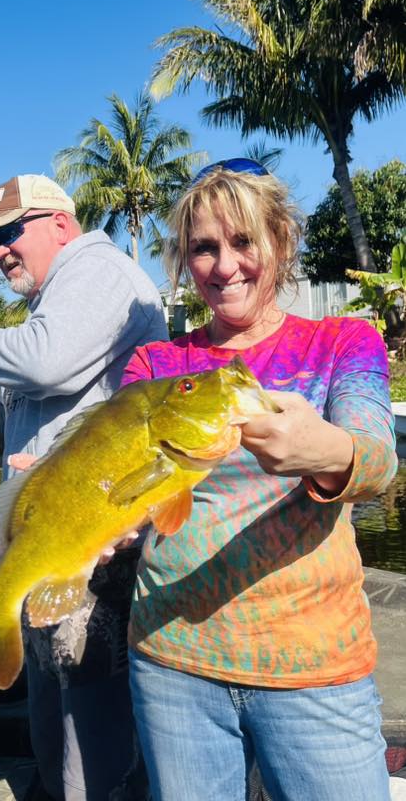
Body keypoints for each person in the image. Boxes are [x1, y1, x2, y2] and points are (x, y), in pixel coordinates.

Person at [121, 158, 399, 801]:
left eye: (244, 241)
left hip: (313, 666)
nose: (225, 266)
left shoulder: (343, 341)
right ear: (183, 260)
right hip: (171, 663)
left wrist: (322, 449)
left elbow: (377, 462)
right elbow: (134, 486)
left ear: (280, 240)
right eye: (203, 248)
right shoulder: (158, 363)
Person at [0, 173, 167, 801]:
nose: (0, 249)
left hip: (97, 547)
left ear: (60, 222)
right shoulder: (46, 310)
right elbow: (6, 445)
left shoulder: (98, 272)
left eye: (9, 232)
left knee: (91, 719)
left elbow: (46, 358)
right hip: (47, 545)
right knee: (53, 716)